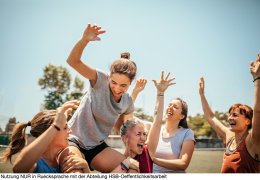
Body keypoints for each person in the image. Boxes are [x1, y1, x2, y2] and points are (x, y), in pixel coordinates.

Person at [64, 23, 140, 172]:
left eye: (123, 85)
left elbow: (127, 128)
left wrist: (134, 144)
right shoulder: (100, 80)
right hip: (74, 140)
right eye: (114, 82)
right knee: (75, 170)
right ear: (109, 77)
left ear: (131, 84)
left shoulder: (127, 102)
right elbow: (73, 62)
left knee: (133, 168)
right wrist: (84, 39)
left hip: (96, 147)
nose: (117, 88)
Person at [199, 53, 260, 173]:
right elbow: (211, 117)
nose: (230, 118)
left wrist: (257, 78)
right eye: (230, 114)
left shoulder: (253, 140)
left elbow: (258, 110)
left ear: (248, 120)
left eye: (235, 115)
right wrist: (202, 95)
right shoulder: (229, 136)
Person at [0, 100, 90, 173]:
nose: (70, 131)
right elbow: (18, 169)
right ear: (50, 132)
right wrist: (56, 125)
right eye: (65, 127)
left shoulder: (63, 162)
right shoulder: (37, 165)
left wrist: (86, 169)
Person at [118, 71, 175, 173]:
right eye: (139, 134)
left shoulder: (147, 152)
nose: (144, 138)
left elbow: (157, 122)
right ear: (125, 137)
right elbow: (127, 118)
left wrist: (160, 93)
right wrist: (135, 92)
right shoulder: (116, 161)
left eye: (144, 134)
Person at [152, 98, 196, 172]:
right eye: (169, 105)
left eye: (175, 107)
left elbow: (183, 164)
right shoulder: (155, 130)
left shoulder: (187, 133)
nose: (170, 107)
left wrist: (154, 160)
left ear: (182, 116)